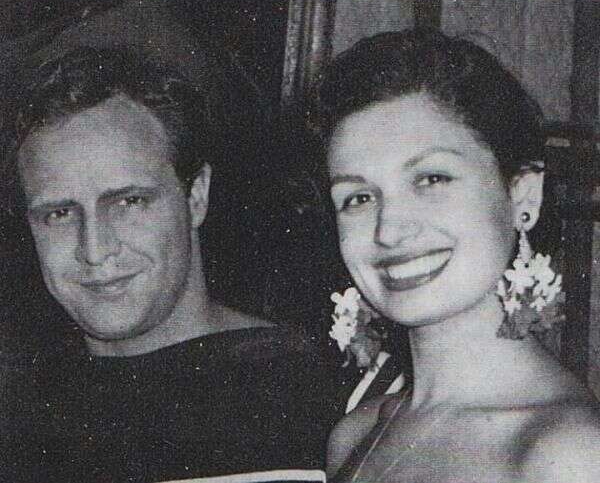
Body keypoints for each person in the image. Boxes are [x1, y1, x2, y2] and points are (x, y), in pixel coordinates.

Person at [1, 46, 403, 483]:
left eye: (129, 202)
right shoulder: (18, 409)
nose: (95, 250)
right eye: (59, 214)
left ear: (196, 196)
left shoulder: (331, 394)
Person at [309, 28, 600, 483]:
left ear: (522, 194)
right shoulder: (354, 434)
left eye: (432, 179)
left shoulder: (568, 454)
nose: (389, 230)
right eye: (358, 198)